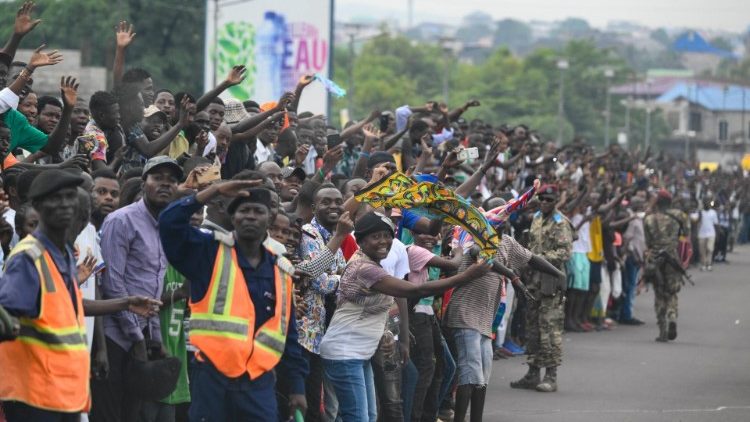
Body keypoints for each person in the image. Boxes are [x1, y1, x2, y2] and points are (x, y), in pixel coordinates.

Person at [319, 211, 491, 422]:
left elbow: (374, 307)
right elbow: (414, 290)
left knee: (368, 416)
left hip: (360, 351)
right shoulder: (364, 268)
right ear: (361, 241)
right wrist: (466, 276)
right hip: (344, 353)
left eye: (387, 235)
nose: (384, 241)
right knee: (358, 417)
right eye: (375, 236)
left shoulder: (374, 264)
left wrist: (387, 334)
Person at [159, 182, 309, 420]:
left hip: (258, 383)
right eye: (243, 210)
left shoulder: (282, 271)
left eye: (257, 211)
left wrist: (297, 386)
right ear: (233, 216)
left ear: (270, 219)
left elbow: (287, 334)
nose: (250, 216)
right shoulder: (208, 252)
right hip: (211, 378)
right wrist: (213, 192)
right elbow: (168, 223)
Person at [93, 156, 181, 421]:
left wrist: (153, 336)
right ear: (144, 183)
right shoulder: (121, 220)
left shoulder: (166, 226)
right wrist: (137, 337)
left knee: (132, 415)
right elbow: (112, 283)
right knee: (109, 413)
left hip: (141, 338)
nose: (165, 185)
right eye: (158, 178)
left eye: (172, 180)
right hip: (115, 337)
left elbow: (153, 287)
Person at [296, 184, 353, 422]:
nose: (333, 206)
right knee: (306, 402)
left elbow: (342, 274)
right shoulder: (308, 233)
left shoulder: (335, 239)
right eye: (326, 202)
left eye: (338, 201)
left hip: (322, 331)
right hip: (303, 332)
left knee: (323, 402)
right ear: (313, 207)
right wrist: (343, 278)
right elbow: (318, 280)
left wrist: (339, 277)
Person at [512, 184, 572, 393]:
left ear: (556, 201)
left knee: (550, 328)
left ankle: (551, 375)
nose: (545, 203)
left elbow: (564, 252)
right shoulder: (536, 217)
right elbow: (531, 245)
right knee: (532, 328)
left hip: (550, 283)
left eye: (549, 200)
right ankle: (532, 372)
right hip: (532, 282)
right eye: (542, 199)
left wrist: (537, 260)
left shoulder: (560, 222)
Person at [644, 189, 689, 342]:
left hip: (656, 259)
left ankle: (662, 331)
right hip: (672, 258)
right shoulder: (680, 216)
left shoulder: (649, 219)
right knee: (672, 292)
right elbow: (686, 233)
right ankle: (672, 317)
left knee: (659, 293)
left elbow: (648, 242)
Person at [696, 198, 719, 271]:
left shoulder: (713, 212)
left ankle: (709, 264)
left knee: (710, 249)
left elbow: (716, 224)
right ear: (703, 204)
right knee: (702, 251)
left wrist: (717, 234)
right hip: (701, 234)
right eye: (705, 203)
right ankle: (703, 264)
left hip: (711, 233)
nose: (706, 204)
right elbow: (696, 221)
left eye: (708, 203)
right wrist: (699, 213)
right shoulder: (700, 212)